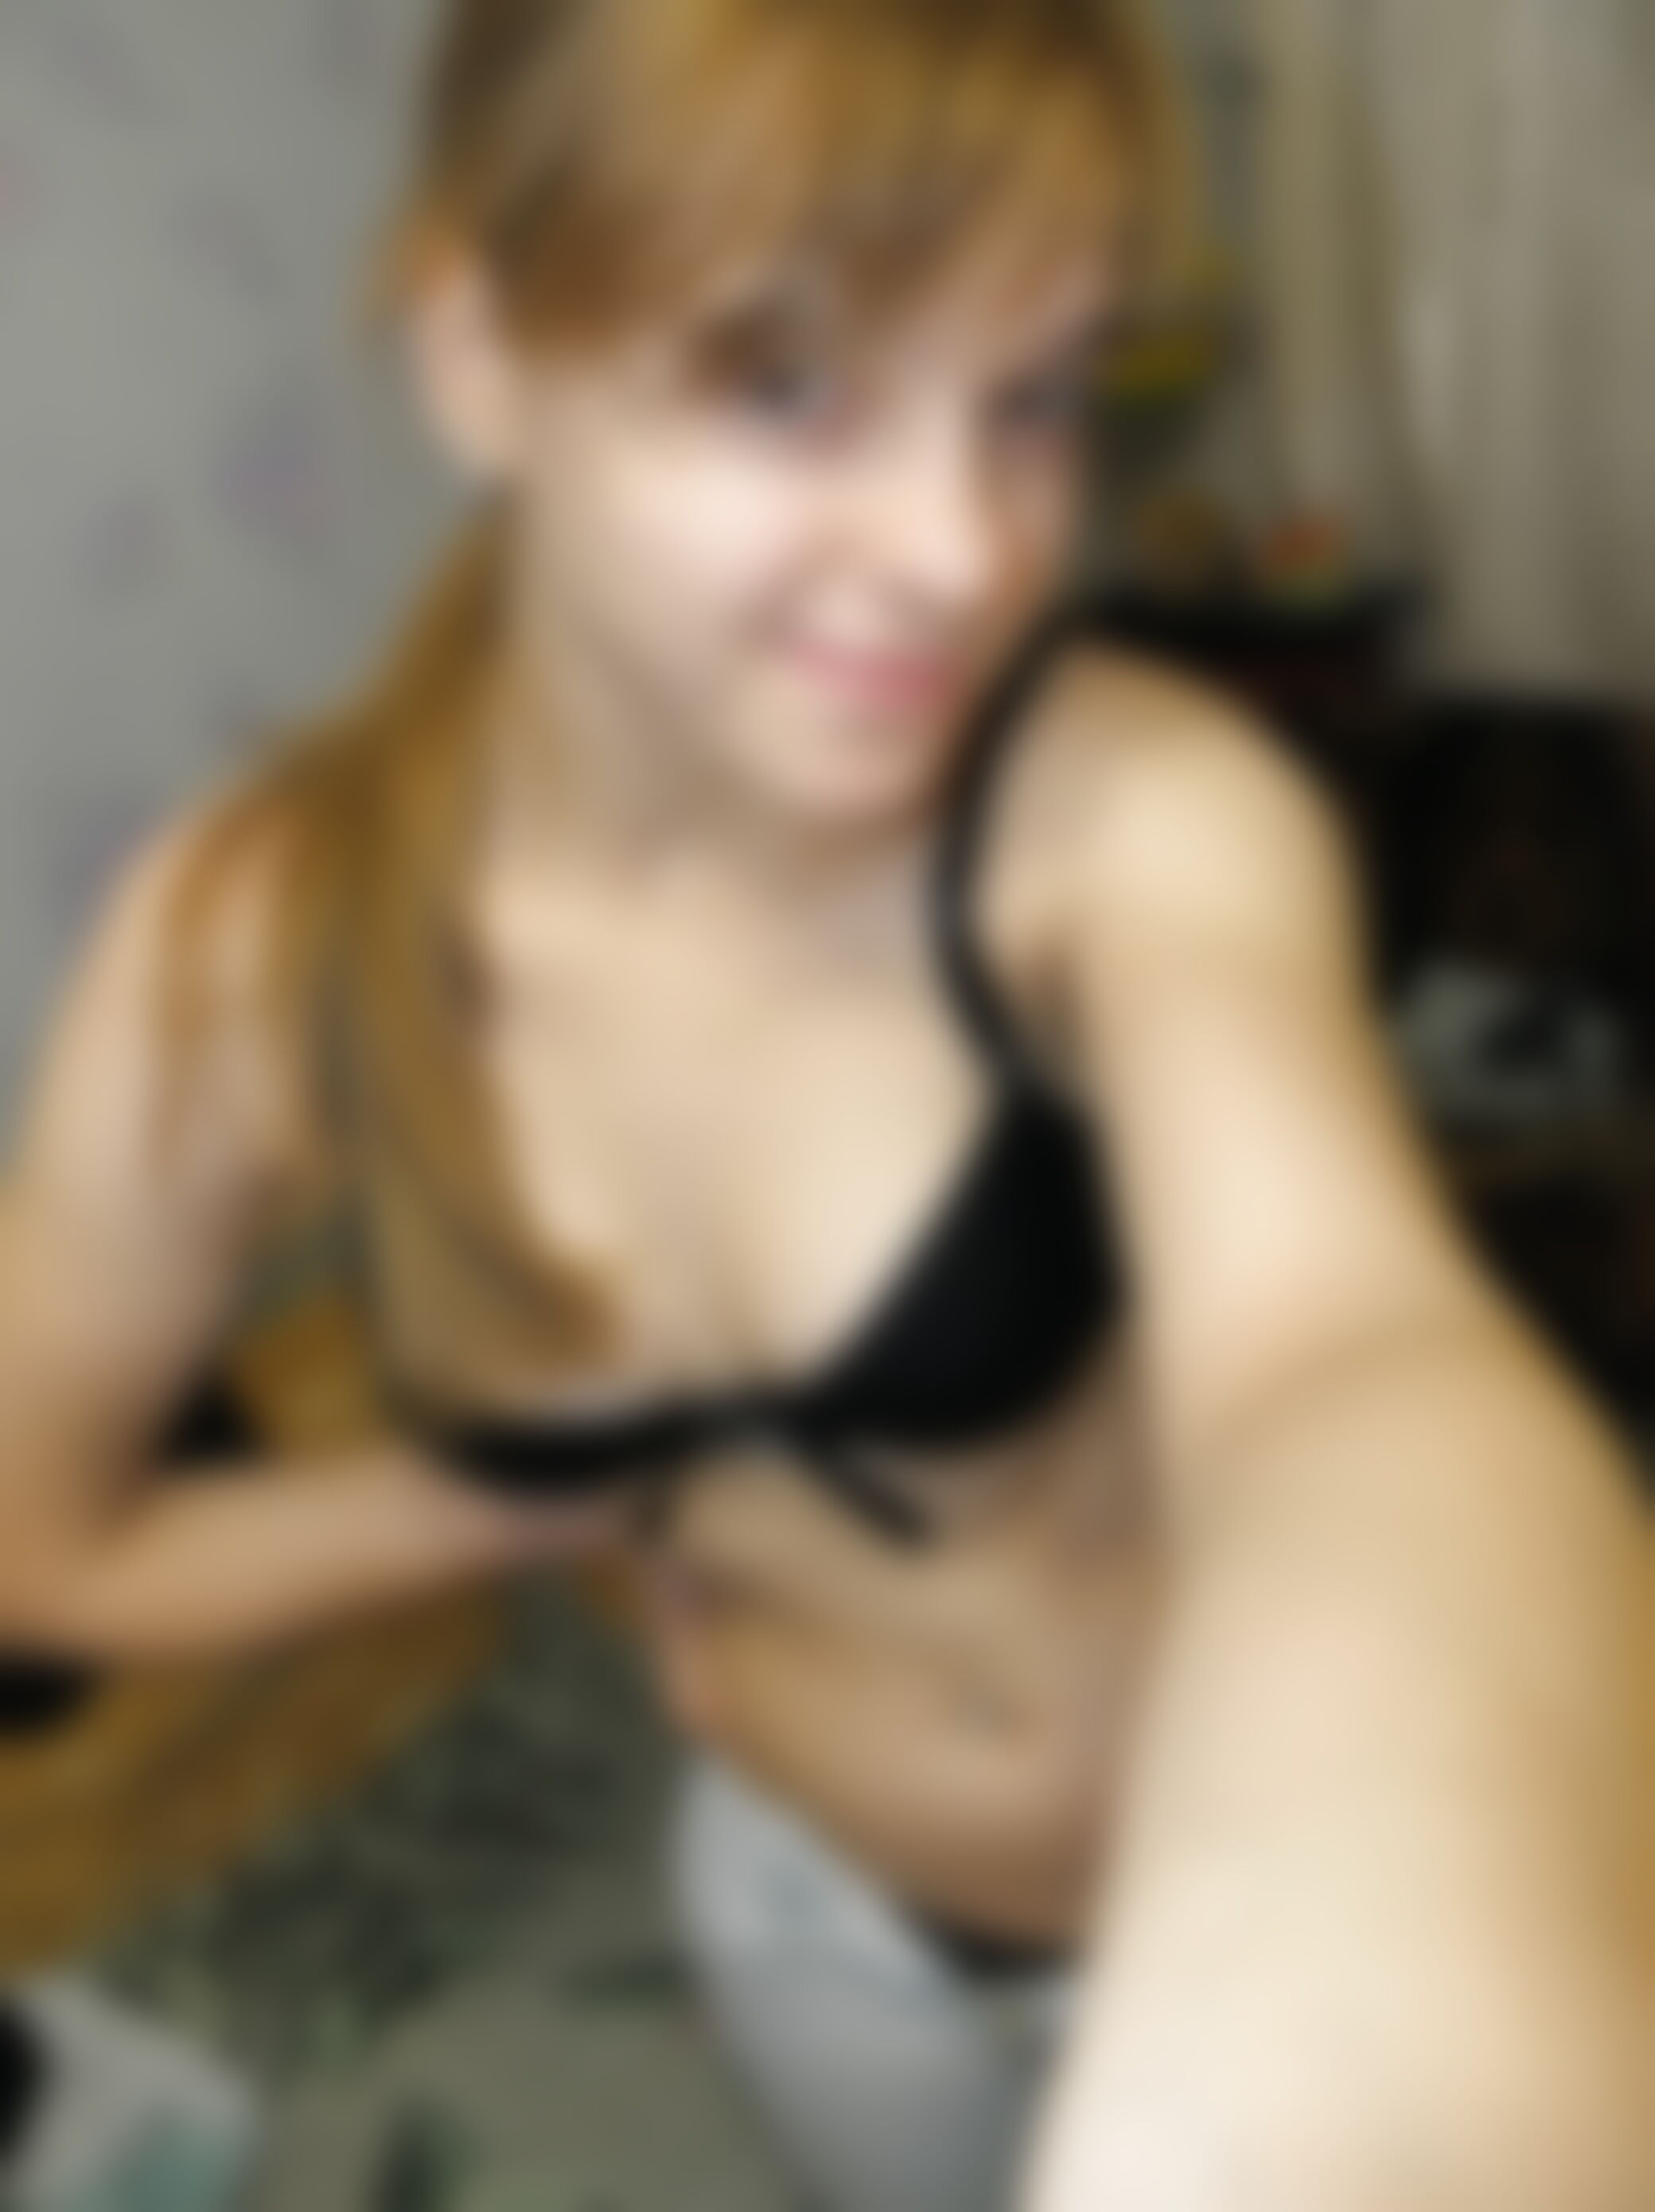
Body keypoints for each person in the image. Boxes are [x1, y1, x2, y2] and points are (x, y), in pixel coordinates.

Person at [0, 4, 1648, 2208]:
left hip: (1218, 1894)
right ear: (478, 352)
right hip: (822, 1936)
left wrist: (1406, 1962)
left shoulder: (1122, 811)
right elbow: (46, 1539)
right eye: (792, 384)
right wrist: (532, 1497)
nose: (966, 552)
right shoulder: (244, 957)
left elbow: (1351, 1359)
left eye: (1035, 398)